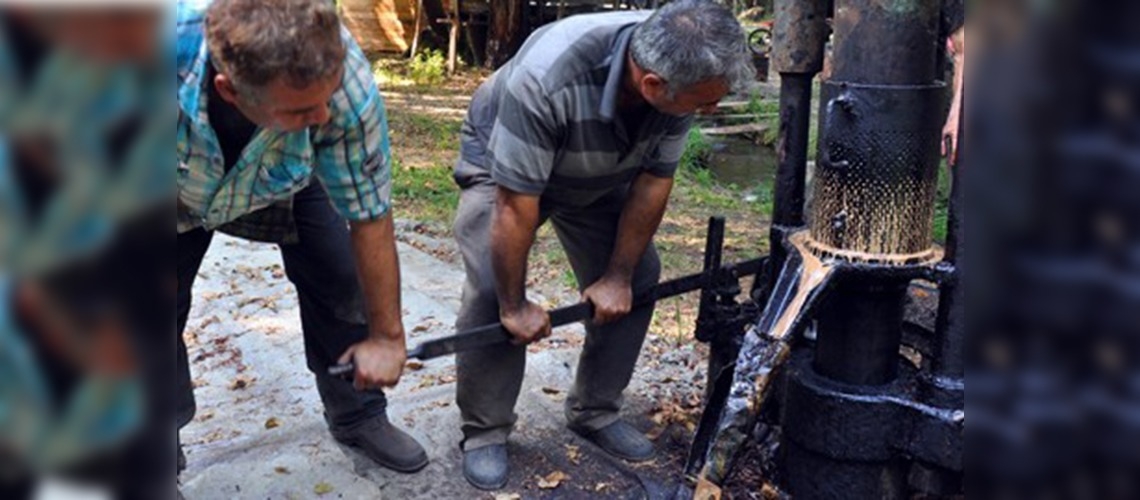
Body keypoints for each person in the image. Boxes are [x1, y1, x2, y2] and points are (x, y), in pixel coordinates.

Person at [449, 0, 753, 490]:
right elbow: (514, 205)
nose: (710, 111)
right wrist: (514, 305)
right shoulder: (547, 77)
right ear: (652, 84)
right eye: (702, 104)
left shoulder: (682, 73)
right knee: (491, 285)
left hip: (601, 164)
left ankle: (595, 410)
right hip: (504, 164)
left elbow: (653, 181)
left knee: (639, 275)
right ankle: (485, 430)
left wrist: (617, 276)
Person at [175, 0, 427, 483]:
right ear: (229, 91)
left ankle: (358, 413)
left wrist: (387, 338)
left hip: (285, 170)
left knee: (338, 271)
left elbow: (370, 215)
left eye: (326, 98)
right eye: (302, 108)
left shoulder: (343, 80)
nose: (325, 115)